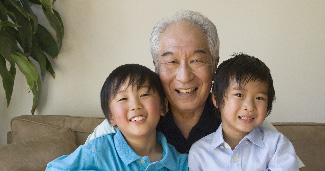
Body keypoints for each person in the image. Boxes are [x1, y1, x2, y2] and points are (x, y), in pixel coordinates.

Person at [86, 10, 306, 170]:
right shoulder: (132, 118)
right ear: (156, 67)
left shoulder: (241, 116)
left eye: (197, 60)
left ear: (215, 65)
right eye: (171, 62)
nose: (184, 76)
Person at [46, 64, 188, 171]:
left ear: (163, 106)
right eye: (123, 99)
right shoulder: (98, 150)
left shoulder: (180, 163)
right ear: (111, 117)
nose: (135, 105)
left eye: (144, 95)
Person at [188, 53, 299, 170]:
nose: (250, 107)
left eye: (259, 98)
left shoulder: (277, 145)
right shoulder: (200, 152)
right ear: (216, 100)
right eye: (239, 95)